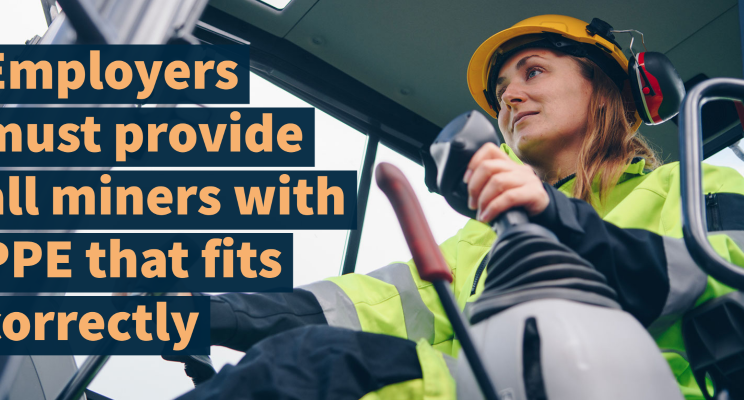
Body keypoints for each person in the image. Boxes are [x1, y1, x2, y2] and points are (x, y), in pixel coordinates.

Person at [177, 15, 744, 400]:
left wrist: (560, 221)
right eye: (501, 92)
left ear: (609, 88)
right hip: (493, 384)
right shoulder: (485, 240)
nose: (510, 97)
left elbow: (729, 276)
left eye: (534, 71)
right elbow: (368, 308)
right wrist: (214, 313)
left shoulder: (691, 185)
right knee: (291, 369)